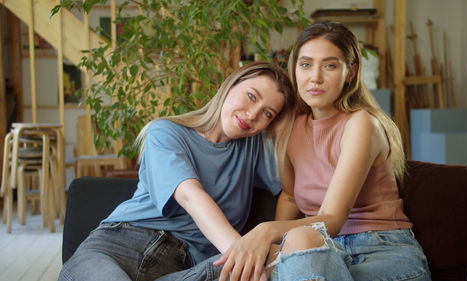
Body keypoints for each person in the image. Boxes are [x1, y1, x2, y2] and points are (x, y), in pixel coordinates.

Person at [208, 21, 431, 281]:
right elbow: (290, 196)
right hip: (319, 250)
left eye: (330, 65)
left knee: (300, 241)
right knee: (282, 253)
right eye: (305, 64)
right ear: (295, 69)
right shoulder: (290, 127)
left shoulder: (361, 124)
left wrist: (266, 231)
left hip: (381, 249)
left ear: (350, 72)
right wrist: (277, 250)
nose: (315, 77)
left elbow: (333, 219)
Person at [58, 61, 296, 281]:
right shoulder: (165, 133)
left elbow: (293, 192)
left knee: (261, 267)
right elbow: (190, 197)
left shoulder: (254, 149)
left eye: (268, 113)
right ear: (230, 85)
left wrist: (284, 128)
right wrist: (242, 254)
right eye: (251, 96)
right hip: (118, 248)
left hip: (187, 269)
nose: (253, 114)